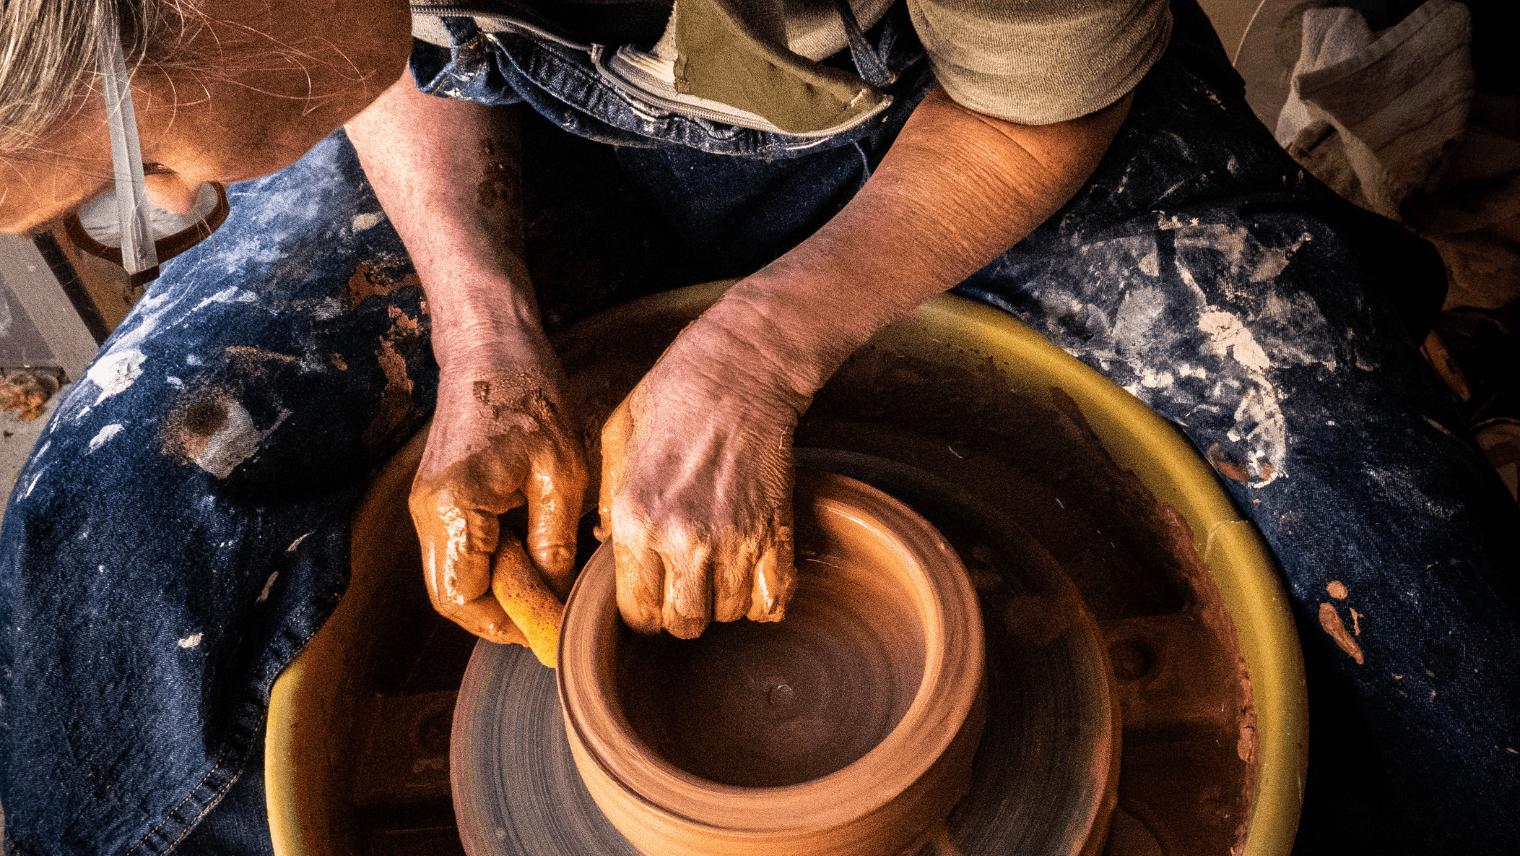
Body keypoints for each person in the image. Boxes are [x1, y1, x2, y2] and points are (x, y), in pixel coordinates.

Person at [1, 1, 1515, 854]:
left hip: (970, 122)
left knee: (1400, 561)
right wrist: (482, 321)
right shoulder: (265, 29)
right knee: (113, 521)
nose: (177, 215)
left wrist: (763, 351)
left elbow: (1044, 88)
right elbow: (367, 38)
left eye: (119, 180)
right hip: (517, 132)